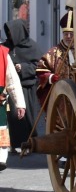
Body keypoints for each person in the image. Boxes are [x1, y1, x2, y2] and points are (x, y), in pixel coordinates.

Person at [3, 19, 42, 152]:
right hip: (12, 87)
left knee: (28, 117)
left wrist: (23, 68)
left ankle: (30, 143)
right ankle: (16, 143)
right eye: (8, 32)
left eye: (11, 32)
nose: (9, 35)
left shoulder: (32, 46)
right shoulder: (6, 47)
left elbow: (40, 66)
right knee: (14, 118)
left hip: (28, 86)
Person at [36, 12, 75, 108]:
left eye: (71, 34)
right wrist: (50, 77)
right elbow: (41, 71)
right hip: (60, 97)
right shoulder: (53, 52)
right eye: (66, 34)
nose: (68, 37)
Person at [0, 45, 26, 171]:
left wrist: (20, 103)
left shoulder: (3, 53)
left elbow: (12, 81)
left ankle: (1, 159)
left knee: (1, 129)